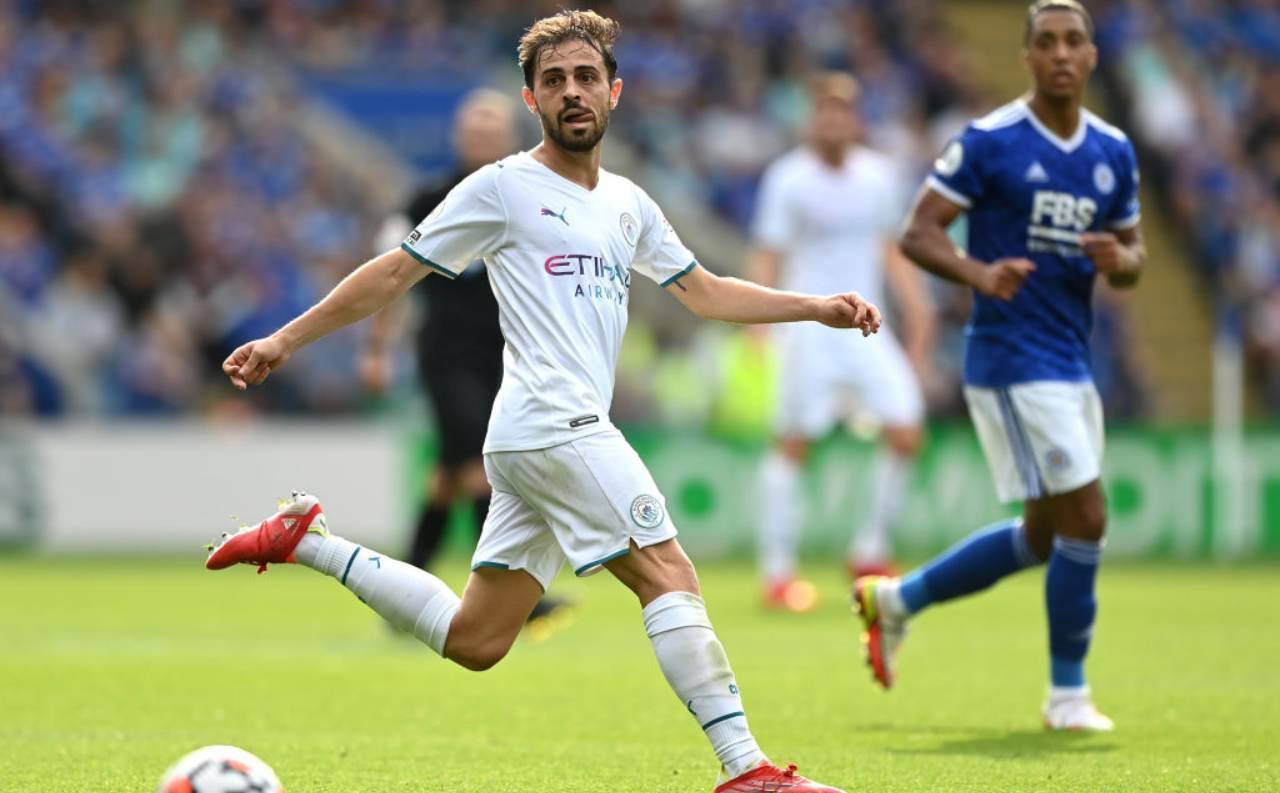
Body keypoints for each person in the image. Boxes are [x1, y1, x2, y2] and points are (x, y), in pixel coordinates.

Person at [210, 11, 880, 791]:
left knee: (476, 637)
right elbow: (394, 271)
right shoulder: (501, 187)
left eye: (586, 77)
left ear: (614, 92)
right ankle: (748, 770)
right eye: (553, 80)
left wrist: (815, 306)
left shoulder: (629, 203)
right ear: (531, 100)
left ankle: (308, 540)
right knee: (669, 572)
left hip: (526, 442)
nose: (572, 92)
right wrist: (284, 340)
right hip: (555, 424)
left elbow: (707, 292)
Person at [853, 0, 1146, 732]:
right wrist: (979, 275)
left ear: (1092, 56)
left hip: (1072, 357)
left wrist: (1125, 259)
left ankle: (897, 600)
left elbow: (1135, 256)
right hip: (1010, 357)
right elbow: (918, 232)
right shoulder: (990, 142)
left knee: (1046, 535)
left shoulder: (1113, 150)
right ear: (1027, 57)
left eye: (1074, 41)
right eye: (1045, 42)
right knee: (1089, 510)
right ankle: (1067, 694)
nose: (1060, 54)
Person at [359, 88, 570, 631]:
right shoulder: (424, 200)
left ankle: (399, 597)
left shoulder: (529, 194)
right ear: (459, 137)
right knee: (482, 465)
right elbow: (388, 276)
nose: (483, 138)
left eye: (493, 129)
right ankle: (509, 602)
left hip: (507, 353)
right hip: (445, 353)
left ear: (508, 136)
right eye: (475, 129)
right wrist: (378, 350)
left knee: (448, 477)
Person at [749, 72, 934, 611]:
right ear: (812, 119)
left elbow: (889, 248)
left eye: (843, 111)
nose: (833, 120)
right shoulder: (788, 179)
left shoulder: (879, 177)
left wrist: (918, 305)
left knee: (905, 429)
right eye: (824, 110)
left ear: (856, 120)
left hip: (867, 325)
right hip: (808, 329)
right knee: (794, 444)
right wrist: (758, 324)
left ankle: (870, 550)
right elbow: (768, 253)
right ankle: (778, 572)